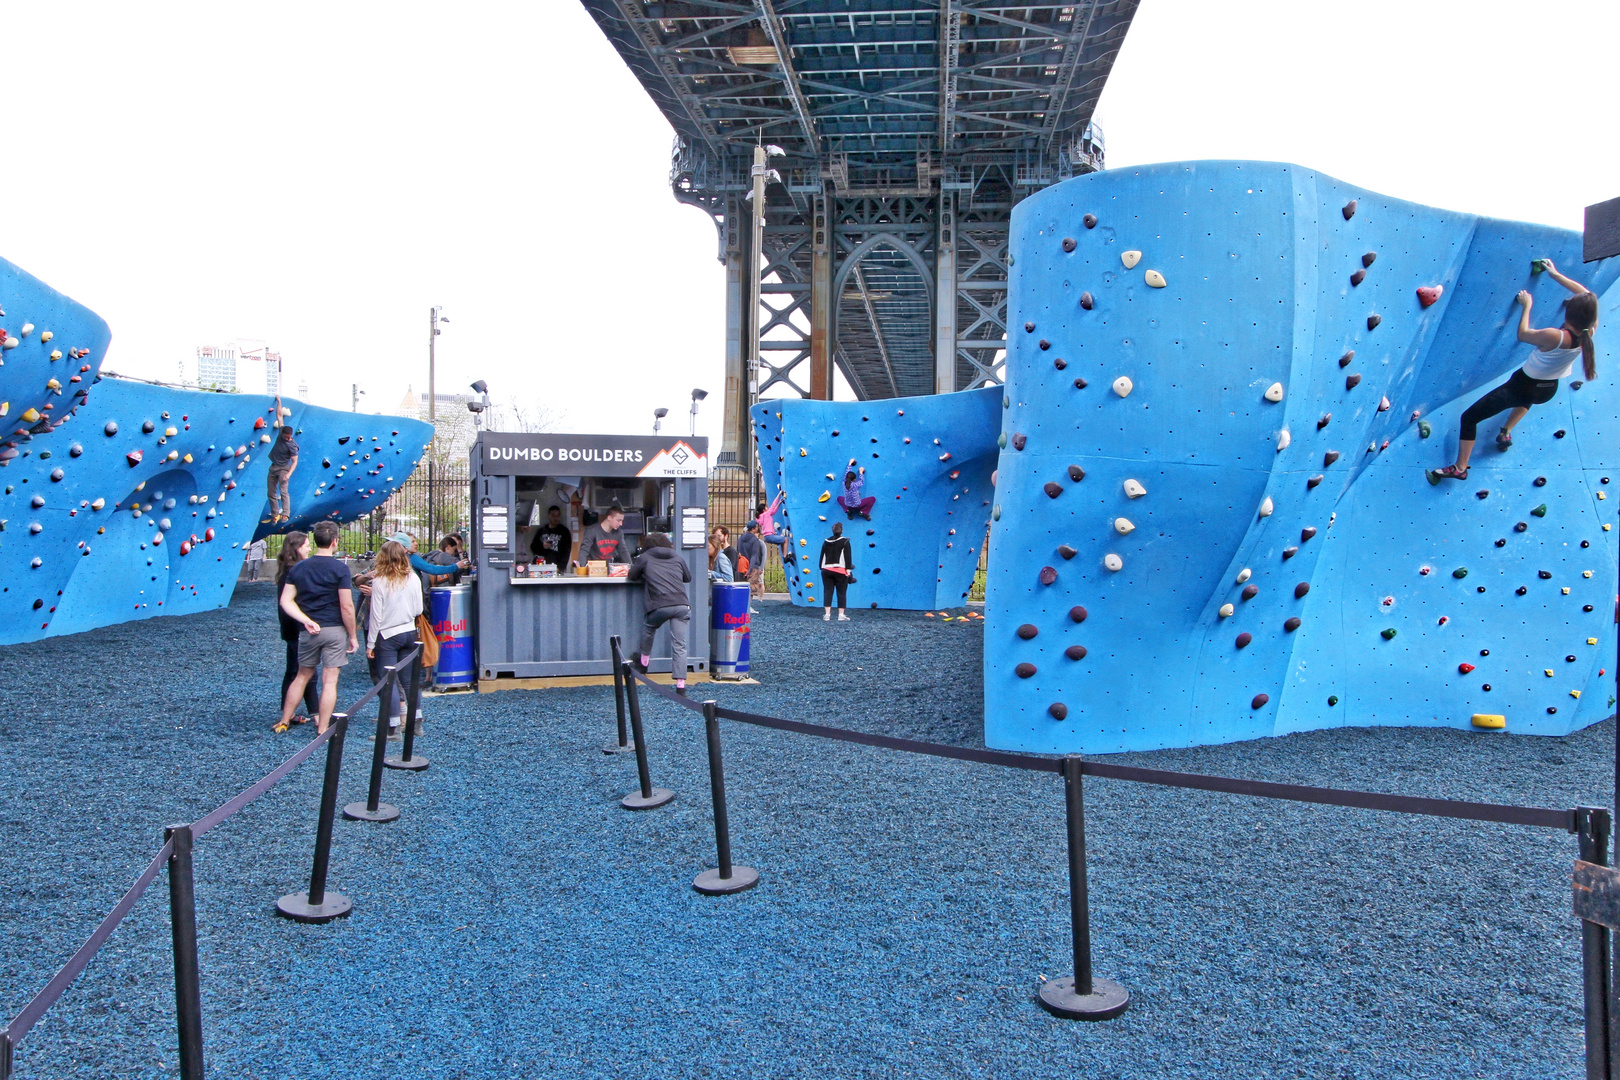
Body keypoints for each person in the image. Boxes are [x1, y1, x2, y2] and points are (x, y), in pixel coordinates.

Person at [1431, 261, 1598, 482]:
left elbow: (1523, 334)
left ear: (1569, 314)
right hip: (1548, 389)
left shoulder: (1555, 336)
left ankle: (1461, 467)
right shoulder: (1590, 331)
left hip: (1522, 386)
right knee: (1527, 400)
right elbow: (1586, 295)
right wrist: (1554, 274)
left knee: (1469, 417)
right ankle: (1505, 431)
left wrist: (1527, 306)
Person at [277, 520, 358, 734]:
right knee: (329, 681)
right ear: (334, 541)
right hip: (334, 629)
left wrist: (304, 619)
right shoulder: (340, 569)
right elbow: (347, 606)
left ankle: (284, 720)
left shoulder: (299, 568)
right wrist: (353, 635)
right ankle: (323, 727)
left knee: (302, 675)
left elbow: (286, 601)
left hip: (309, 630)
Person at [366, 539, 423, 735]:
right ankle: (416, 722)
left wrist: (370, 643)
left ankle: (393, 728)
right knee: (409, 681)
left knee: (388, 681)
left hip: (387, 635)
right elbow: (418, 609)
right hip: (409, 631)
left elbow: (376, 616)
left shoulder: (380, 581)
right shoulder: (413, 578)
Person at [627, 532, 693, 694]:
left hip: (659, 605)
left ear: (648, 545)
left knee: (649, 626)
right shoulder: (677, 557)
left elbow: (632, 576)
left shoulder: (645, 557)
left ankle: (643, 663)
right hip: (681, 605)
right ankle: (681, 685)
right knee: (679, 645)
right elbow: (688, 577)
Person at [272, 532, 319, 728]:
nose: (309, 548)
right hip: (298, 627)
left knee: (293, 671)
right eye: (306, 545)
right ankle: (316, 714)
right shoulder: (296, 572)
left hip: (291, 627)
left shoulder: (288, 570)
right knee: (306, 672)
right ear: (297, 548)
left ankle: (288, 712)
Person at [819, 521, 854, 621]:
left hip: (826, 569)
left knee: (827, 591)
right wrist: (848, 570)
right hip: (840, 570)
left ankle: (827, 614)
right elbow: (848, 557)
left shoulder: (826, 541)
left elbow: (822, 556)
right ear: (842, 531)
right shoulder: (845, 542)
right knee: (841, 592)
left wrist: (821, 567)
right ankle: (841, 615)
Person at [266, 425, 298, 524]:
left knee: (283, 491)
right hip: (273, 467)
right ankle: (275, 514)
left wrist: (288, 474)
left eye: (289, 437)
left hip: (284, 468)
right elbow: (280, 417)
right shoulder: (280, 434)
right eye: (286, 437)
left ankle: (285, 514)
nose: (287, 439)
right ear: (282, 434)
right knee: (271, 492)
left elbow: (295, 461)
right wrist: (278, 408)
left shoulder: (292, 445)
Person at [529, 504, 572, 572]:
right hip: (540, 566)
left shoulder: (564, 532)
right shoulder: (542, 531)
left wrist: (560, 567)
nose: (556, 518)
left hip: (555, 566)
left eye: (558, 515)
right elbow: (533, 548)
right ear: (549, 516)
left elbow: (566, 551)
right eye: (553, 515)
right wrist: (542, 546)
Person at [739, 522, 766, 610]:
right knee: (751, 587)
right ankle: (747, 607)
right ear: (754, 528)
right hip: (753, 566)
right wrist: (750, 569)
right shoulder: (755, 540)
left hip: (741, 564)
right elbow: (754, 555)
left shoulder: (740, 538)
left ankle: (741, 606)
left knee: (741, 586)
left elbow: (738, 552)